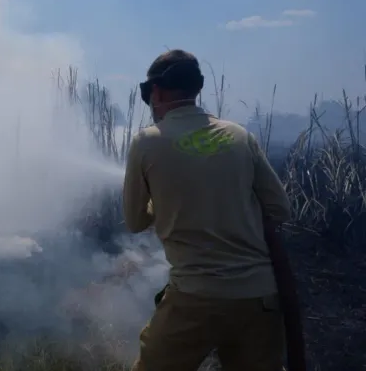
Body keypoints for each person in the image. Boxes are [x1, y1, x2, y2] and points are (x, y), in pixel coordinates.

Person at [122, 49, 292, 371]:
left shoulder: (146, 142)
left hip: (194, 299)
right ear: (196, 89)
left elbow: (134, 221)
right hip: (259, 299)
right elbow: (281, 209)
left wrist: (163, 200)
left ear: (155, 92)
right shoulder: (240, 136)